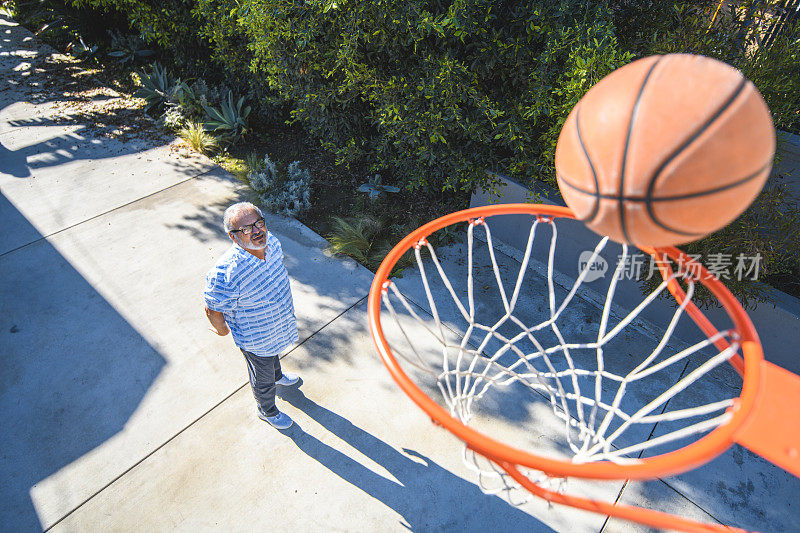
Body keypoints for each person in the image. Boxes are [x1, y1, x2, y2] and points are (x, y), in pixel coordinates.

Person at [203, 202, 300, 429]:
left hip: (278, 325)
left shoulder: (272, 243)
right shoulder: (227, 273)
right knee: (262, 378)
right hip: (255, 337)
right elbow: (212, 308)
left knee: (273, 355)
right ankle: (267, 410)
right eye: (246, 228)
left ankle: (278, 377)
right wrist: (222, 329)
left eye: (258, 223)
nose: (256, 231)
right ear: (233, 237)